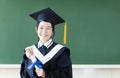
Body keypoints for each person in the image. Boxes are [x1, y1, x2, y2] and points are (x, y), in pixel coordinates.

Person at [20, 8, 73, 78]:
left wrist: (46, 74)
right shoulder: (30, 51)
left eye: (48, 28)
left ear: (52, 31)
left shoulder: (61, 52)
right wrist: (30, 59)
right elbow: (24, 75)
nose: (44, 31)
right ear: (36, 29)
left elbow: (66, 75)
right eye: (41, 28)